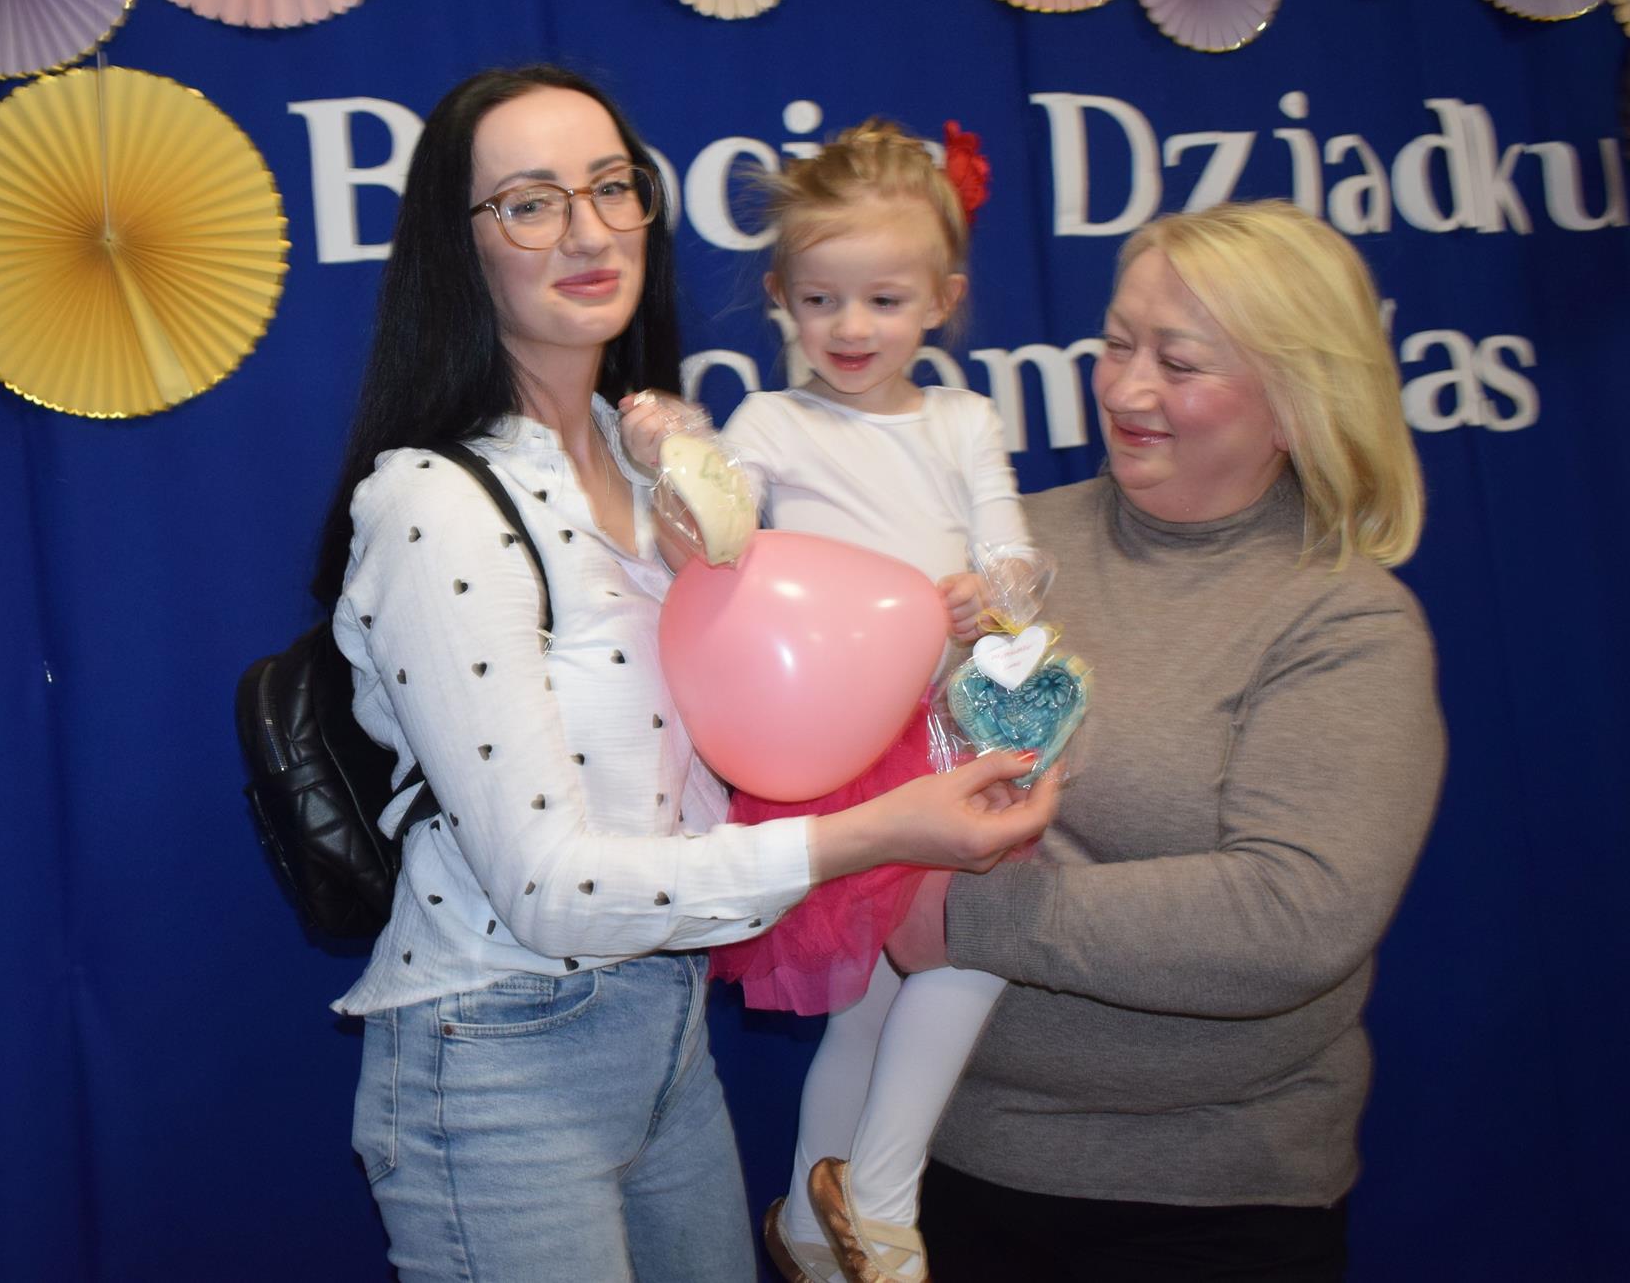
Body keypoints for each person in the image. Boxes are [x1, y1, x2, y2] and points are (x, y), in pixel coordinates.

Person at [308, 67, 1060, 1283]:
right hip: (498, 1056)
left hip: (669, 1039)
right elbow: (548, 891)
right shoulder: (434, 504)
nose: (588, 231)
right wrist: (873, 835)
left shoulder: (668, 477)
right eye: (530, 203)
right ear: (459, 245)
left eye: (612, 188)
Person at [883, 200, 1445, 1282]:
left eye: (1178, 364)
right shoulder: (1004, 560)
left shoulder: (1342, 621)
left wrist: (959, 915)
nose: (1125, 389)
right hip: (943, 1169)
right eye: (1115, 344)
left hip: (1205, 1209)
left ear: (1296, 401)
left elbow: (1291, 916)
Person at [626, 119, 1033, 1283]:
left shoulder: (961, 422)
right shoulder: (772, 424)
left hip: (952, 728)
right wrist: (676, 462)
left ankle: (813, 1226)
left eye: (884, 301)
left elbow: (1011, 550)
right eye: (820, 300)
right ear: (779, 298)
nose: (850, 328)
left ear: (941, 302)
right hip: (843, 750)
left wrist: (995, 591)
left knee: (899, 987)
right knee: (936, 966)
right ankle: (881, 1201)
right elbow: (712, 536)